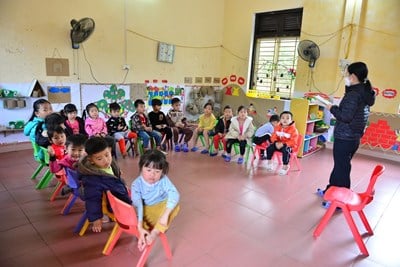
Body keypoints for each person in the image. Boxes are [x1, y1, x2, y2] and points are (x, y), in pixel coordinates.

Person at [317, 62, 375, 203]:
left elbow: (345, 116)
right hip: (353, 137)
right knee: (340, 166)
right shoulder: (364, 92)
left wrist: (331, 107)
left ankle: (340, 201)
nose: (346, 76)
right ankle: (331, 190)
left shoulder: (354, 94)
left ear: (353, 76)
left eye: (347, 74)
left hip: (345, 137)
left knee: (342, 168)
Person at [77, 137, 131, 233]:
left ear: (110, 150)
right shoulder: (93, 179)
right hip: (118, 206)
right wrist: (96, 218)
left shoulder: (109, 165)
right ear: (91, 160)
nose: (106, 160)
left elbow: (114, 179)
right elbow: (92, 198)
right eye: (99, 158)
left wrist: (120, 179)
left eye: (107, 155)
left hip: (121, 195)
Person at [131, 150, 180, 251]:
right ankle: (146, 235)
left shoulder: (163, 179)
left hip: (161, 208)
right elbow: (139, 206)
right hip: (146, 211)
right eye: (148, 170)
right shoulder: (136, 184)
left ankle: (154, 233)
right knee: (144, 224)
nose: (152, 174)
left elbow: (174, 194)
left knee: (175, 206)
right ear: (141, 168)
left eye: (157, 171)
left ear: (162, 172)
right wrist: (139, 226)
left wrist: (166, 215)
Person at [265, 111, 299, 176]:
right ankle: (269, 162)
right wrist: (275, 142)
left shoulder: (294, 130)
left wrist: (283, 144)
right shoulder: (277, 127)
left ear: (291, 120)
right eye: (283, 118)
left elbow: (293, 141)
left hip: (289, 146)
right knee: (269, 148)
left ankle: (285, 166)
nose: (285, 120)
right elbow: (273, 136)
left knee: (285, 150)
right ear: (280, 120)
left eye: (287, 118)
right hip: (278, 144)